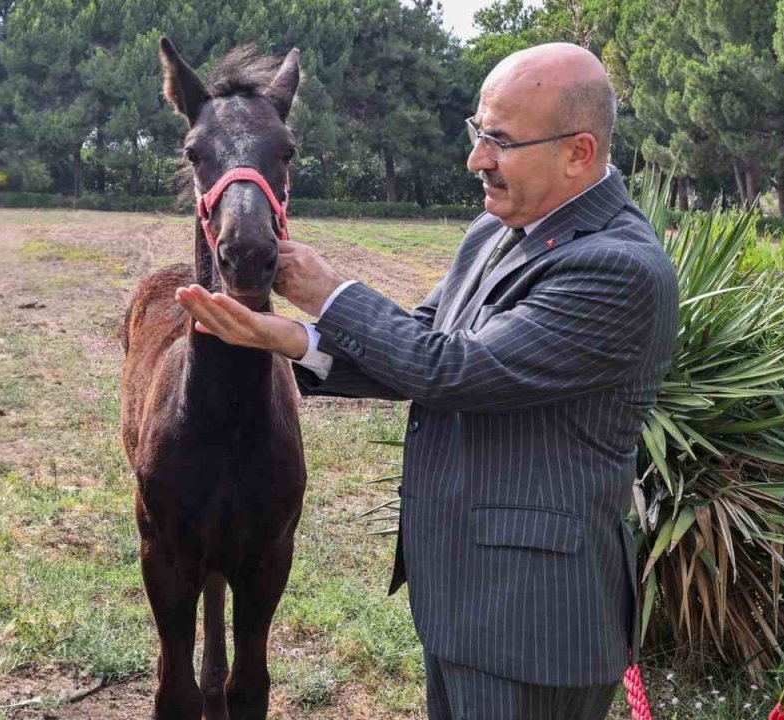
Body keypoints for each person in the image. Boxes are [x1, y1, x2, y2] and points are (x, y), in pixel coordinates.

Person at [175, 42, 678, 720]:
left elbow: (453, 371)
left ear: (578, 153)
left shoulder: (617, 269)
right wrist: (284, 337)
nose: (477, 159)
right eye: (479, 133)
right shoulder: (496, 233)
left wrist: (329, 292)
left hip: (534, 625)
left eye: (499, 140)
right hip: (463, 605)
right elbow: (420, 343)